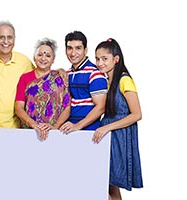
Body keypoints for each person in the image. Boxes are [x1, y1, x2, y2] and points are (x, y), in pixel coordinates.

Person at [92, 38, 143, 200]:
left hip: (120, 136)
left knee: (107, 184)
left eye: (104, 59)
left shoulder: (124, 80)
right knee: (109, 186)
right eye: (97, 59)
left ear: (116, 59)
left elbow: (137, 114)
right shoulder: (106, 81)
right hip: (108, 136)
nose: (100, 63)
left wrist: (107, 127)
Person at [0, 20, 35, 128]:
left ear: (14, 39)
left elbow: (42, 75)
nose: (6, 41)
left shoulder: (24, 61)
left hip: (14, 128)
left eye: (9, 37)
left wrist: (59, 71)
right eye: (1, 37)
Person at [15, 38, 71, 140]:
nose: (43, 58)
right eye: (40, 54)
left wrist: (55, 128)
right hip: (29, 132)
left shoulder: (60, 77)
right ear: (34, 57)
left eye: (48, 55)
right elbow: (18, 107)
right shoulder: (25, 78)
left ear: (53, 59)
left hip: (53, 133)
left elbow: (67, 107)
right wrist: (34, 125)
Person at [60, 31, 107, 133]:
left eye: (78, 48)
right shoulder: (67, 73)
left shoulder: (95, 73)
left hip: (89, 133)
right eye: (69, 48)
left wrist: (77, 126)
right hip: (68, 130)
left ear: (85, 50)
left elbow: (101, 107)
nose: (73, 53)